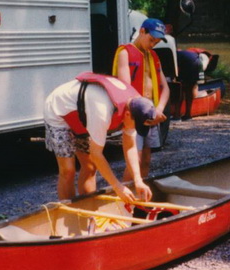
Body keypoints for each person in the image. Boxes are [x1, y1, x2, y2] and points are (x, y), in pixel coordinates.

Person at [43, 72, 157, 204]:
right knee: (68, 170)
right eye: (135, 125)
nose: (134, 128)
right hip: (59, 112)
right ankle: (71, 214)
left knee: (90, 167)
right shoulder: (103, 112)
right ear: (127, 114)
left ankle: (88, 210)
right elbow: (97, 154)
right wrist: (118, 187)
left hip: (82, 114)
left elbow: (130, 146)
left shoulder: (136, 105)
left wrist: (138, 180)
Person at [113, 18, 171, 179]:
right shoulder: (125, 53)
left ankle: (140, 198)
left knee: (146, 160)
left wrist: (158, 110)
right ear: (142, 31)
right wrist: (148, 111)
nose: (153, 44)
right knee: (135, 161)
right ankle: (126, 201)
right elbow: (126, 89)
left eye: (157, 42)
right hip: (135, 111)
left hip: (152, 112)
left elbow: (165, 88)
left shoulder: (153, 56)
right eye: (151, 40)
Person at [175, 49, 203, 121]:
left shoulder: (173, 56)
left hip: (190, 64)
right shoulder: (181, 53)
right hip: (198, 63)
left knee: (179, 89)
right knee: (189, 89)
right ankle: (188, 115)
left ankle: (177, 115)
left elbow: (175, 70)